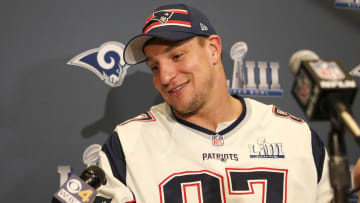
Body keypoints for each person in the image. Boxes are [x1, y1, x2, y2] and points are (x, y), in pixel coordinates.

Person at [94, 4, 333, 203]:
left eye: (177, 56)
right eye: (154, 66)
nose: (165, 77)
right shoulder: (127, 144)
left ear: (213, 49)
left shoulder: (296, 136)